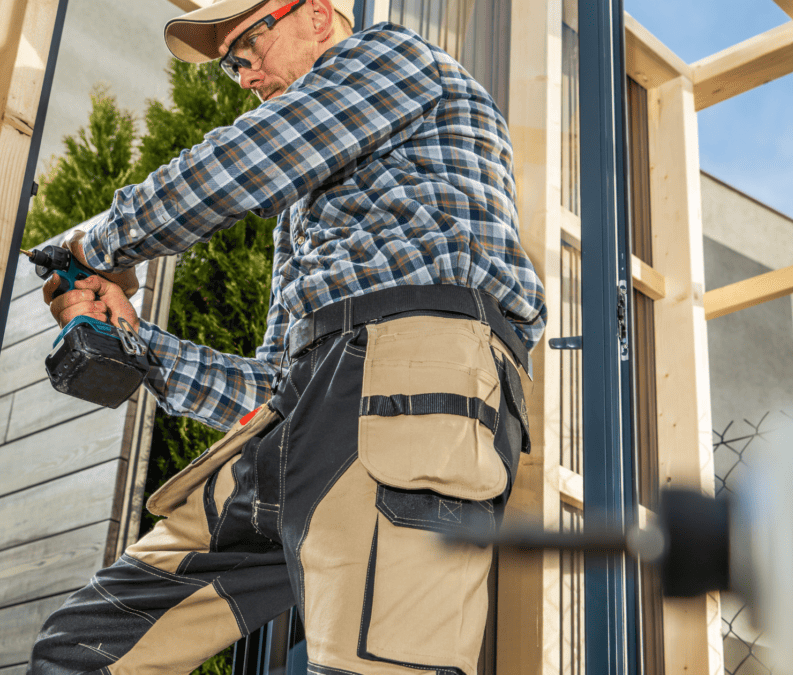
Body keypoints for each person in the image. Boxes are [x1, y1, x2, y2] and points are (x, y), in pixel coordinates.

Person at [27, 0, 546, 673]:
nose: (242, 77)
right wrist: (137, 342)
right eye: (230, 68)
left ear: (319, 17)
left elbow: (241, 163)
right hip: (307, 411)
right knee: (82, 648)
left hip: (414, 383)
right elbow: (268, 385)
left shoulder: (393, 59)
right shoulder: (307, 210)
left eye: (247, 50)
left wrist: (89, 245)